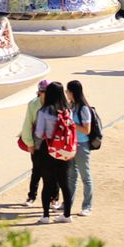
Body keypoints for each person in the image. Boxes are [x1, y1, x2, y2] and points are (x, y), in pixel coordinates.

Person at [32, 80, 76, 223]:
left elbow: (39, 133)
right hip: (65, 150)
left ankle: (45, 216)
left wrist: (36, 147)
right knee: (65, 184)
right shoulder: (68, 110)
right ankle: (67, 215)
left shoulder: (44, 111)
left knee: (47, 184)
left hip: (48, 150)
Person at [67, 80, 96, 216]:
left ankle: (87, 206)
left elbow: (87, 130)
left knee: (85, 176)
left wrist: (71, 124)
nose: (66, 93)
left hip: (81, 145)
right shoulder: (71, 106)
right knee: (71, 176)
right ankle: (68, 203)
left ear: (72, 92)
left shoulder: (83, 109)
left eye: (67, 91)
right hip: (71, 144)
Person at [21, 86, 47, 206]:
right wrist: (29, 143)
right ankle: (32, 196)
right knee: (36, 170)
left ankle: (54, 197)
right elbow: (27, 124)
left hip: (51, 142)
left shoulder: (55, 103)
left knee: (52, 172)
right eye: (42, 92)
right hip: (37, 141)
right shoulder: (33, 104)